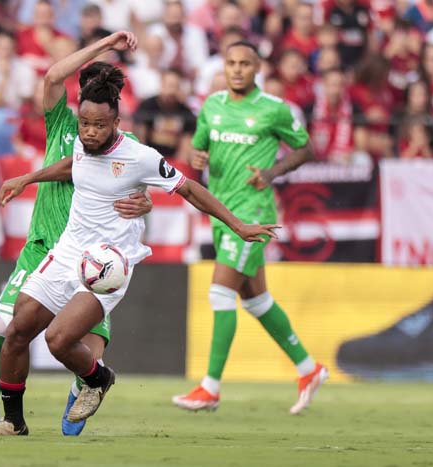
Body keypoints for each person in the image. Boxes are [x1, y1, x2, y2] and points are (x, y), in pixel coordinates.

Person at [0, 65, 278, 438]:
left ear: (116, 122)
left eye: (99, 126)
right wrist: (29, 178)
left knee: (58, 340)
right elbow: (74, 165)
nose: (90, 131)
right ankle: (13, 422)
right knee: (17, 330)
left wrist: (237, 225)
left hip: (107, 264)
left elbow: (189, 188)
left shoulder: (139, 156)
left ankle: (98, 378)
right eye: (85, 124)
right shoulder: (83, 144)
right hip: (67, 252)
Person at [0, 31, 152, 437]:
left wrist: (146, 203)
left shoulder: (126, 143)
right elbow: (51, 77)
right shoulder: (62, 121)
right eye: (85, 86)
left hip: (95, 258)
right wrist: (104, 44)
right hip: (45, 244)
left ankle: (86, 385)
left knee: (84, 344)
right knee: (5, 326)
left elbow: (143, 190)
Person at [172, 41, 328, 416]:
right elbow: (198, 150)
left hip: (251, 214)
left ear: (257, 68)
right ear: (224, 68)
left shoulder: (274, 109)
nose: (238, 69)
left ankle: (210, 388)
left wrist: (272, 172)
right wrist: (198, 157)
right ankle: (309, 369)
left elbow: (306, 149)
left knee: (220, 293)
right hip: (221, 212)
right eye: (231, 63)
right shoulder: (212, 106)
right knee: (257, 301)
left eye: (245, 63)